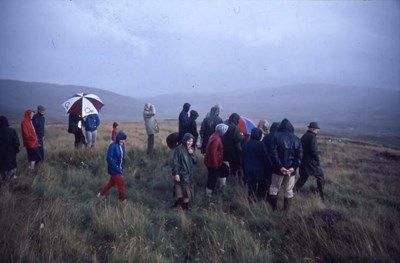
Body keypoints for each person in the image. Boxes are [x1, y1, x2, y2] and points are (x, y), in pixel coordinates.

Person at [269, 118, 303, 211]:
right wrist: (293, 167)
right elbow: (299, 155)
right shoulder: (296, 139)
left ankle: (273, 209)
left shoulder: (275, 137)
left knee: (274, 189)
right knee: (288, 191)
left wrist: (280, 167)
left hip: (277, 169)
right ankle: (285, 211)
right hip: (290, 172)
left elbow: (273, 154)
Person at [295, 122, 325, 200]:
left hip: (303, 161)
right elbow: (313, 151)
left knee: (303, 178)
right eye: (317, 129)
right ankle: (321, 195)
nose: (318, 131)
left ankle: (293, 192)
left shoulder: (304, 136)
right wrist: (317, 160)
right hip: (311, 163)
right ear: (312, 129)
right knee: (320, 176)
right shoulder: (312, 137)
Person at [242, 127, 272, 203]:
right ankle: (260, 200)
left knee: (251, 188)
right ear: (259, 135)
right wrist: (269, 168)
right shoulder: (261, 145)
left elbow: (242, 158)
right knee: (262, 187)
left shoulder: (246, 144)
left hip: (249, 171)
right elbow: (266, 158)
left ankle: (251, 202)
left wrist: (244, 169)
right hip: (260, 171)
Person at [170, 133, 198, 210]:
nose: (190, 143)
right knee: (183, 192)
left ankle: (183, 206)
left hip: (189, 175)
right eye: (188, 141)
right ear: (185, 140)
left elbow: (196, 161)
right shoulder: (179, 149)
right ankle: (180, 206)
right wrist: (176, 173)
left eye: (191, 141)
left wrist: (192, 154)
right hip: (182, 174)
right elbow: (175, 162)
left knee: (187, 193)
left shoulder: (191, 149)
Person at [97, 131, 128, 202]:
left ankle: (101, 194)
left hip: (119, 168)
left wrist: (121, 166)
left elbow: (122, 157)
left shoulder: (122, 145)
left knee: (112, 183)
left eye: (124, 139)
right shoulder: (113, 146)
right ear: (118, 138)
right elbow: (109, 158)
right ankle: (122, 199)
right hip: (114, 169)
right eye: (122, 139)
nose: (123, 141)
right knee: (120, 184)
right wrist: (116, 165)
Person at [204, 123, 229, 197]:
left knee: (225, 169)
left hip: (213, 161)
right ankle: (208, 194)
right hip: (213, 163)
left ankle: (222, 185)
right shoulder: (217, 139)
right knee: (212, 178)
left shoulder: (214, 136)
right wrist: (215, 165)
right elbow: (213, 153)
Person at [222, 113, 244, 184]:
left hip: (226, 150)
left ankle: (229, 180)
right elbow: (237, 139)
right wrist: (242, 136)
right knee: (238, 167)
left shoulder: (226, 126)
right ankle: (238, 182)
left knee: (230, 167)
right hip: (235, 151)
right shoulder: (235, 128)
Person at [0, 116, 20, 184]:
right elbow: (16, 142)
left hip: (1, 154)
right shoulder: (12, 131)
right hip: (11, 153)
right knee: (11, 168)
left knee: (3, 168)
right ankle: (8, 182)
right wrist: (16, 150)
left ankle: (4, 181)